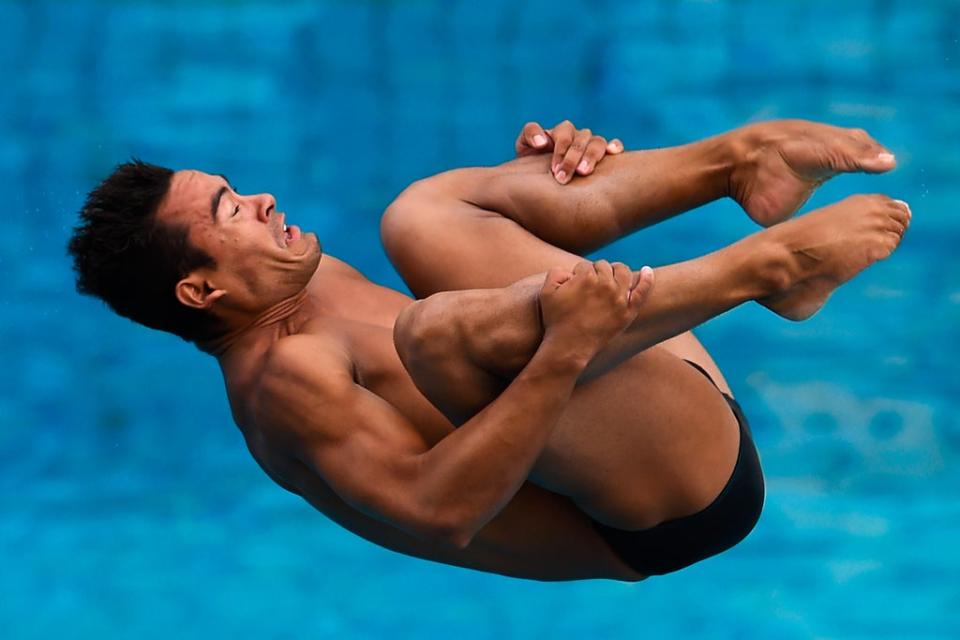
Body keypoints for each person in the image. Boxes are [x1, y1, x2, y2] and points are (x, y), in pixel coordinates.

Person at [67, 119, 909, 581]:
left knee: (422, 213)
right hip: (669, 507)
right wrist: (561, 353)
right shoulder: (282, 384)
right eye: (229, 211)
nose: (260, 199)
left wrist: (551, 177)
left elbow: (526, 288)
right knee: (437, 335)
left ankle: (738, 163)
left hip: (652, 397)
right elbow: (441, 510)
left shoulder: (295, 281)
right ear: (202, 292)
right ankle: (769, 267)